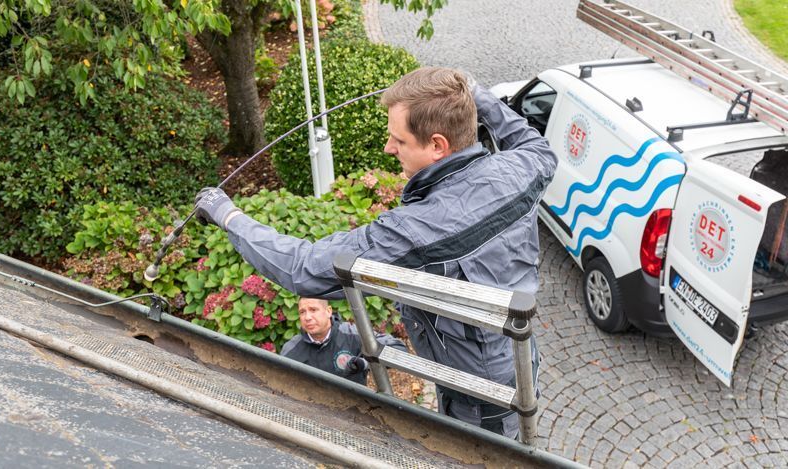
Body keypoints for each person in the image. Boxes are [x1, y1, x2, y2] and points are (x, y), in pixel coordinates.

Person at [194, 67, 557, 437]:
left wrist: (229, 217)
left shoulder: (417, 228)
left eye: (398, 139)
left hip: (479, 398)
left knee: (480, 453)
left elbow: (304, 268)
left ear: (437, 145)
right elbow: (537, 146)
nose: (388, 148)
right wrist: (473, 93)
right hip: (518, 359)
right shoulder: (525, 167)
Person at [280, 297, 407, 385]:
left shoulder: (352, 335)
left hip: (354, 408)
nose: (307, 317)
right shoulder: (291, 350)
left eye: (313, 310)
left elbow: (399, 350)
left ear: (328, 311)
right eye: (302, 312)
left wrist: (365, 363)